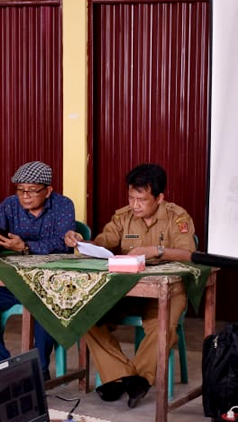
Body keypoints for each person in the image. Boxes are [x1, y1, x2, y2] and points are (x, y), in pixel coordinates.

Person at [63, 163, 197, 408]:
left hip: (166, 290)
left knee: (164, 326)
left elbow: (189, 254)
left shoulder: (177, 217)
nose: (135, 205)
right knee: (84, 316)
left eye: (141, 200)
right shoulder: (123, 217)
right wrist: (81, 242)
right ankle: (125, 376)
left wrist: (157, 251)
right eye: (131, 198)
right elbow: (103, 243)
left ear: (159, 198)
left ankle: (136, 378)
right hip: (127, 289)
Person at [0, 161, 74, 380]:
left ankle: (38, 371)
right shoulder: (10, 205)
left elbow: (64, 244)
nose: (25, 196)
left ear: (48, 191)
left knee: (47, 303)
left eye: (32, 191)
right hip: (14, 281)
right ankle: (0, 368)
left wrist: (25, 247)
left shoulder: (63, 205)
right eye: (21, 190)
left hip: (49, 283)